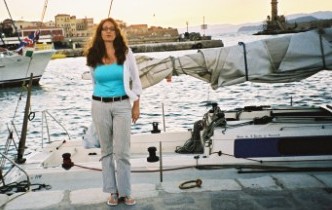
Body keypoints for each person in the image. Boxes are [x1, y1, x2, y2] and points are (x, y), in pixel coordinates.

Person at [84, 17, 142, 206]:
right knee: (106, 150)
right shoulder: (93, 54)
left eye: (112, 29)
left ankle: (125, 192)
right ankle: (112, 192)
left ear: (116, 33)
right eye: (104, 29)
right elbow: (94, 82)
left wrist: (136, 104)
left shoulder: (126, 53)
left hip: (122, 105)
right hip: (99, 105)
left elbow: (136, 79)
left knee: (122, 151)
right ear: (100, 33)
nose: (108, 31)